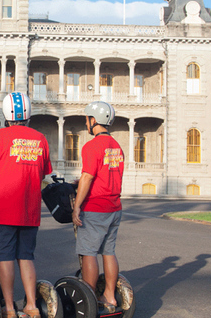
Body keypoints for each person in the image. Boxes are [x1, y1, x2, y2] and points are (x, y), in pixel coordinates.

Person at [0, 92, 52, 318]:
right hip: (30, 210)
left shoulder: (2, 136)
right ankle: (32, 306)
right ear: (28, 114)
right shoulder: (40, 138)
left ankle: (8, 307)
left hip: (5, 208)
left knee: (5, 258)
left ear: (7, 114)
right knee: (26, 257)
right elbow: (44, 172)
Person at [72, 101, 125, 313]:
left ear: (93, 121)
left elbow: (88, 176)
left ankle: (89, 300)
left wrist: (77, 207)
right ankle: (110, 296)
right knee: (109, 252)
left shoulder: (91, 146)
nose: (86, 123)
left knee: (88, 252)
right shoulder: (117, 146)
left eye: (87, 119)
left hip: (95, 207)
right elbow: (106, 173)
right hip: (114, 206)